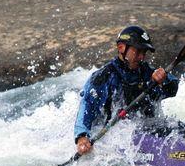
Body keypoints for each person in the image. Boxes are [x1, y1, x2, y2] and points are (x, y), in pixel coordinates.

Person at [74, 26, 179, 156]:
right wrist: (82, 136)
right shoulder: (103, 77)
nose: (141, 57)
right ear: (121, 48)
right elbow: (87, 105)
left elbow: (172, 90)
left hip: (146, 127)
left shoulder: (147, 72)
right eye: (138, 51)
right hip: (114, 133)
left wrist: (164, 80)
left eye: (144, 52)